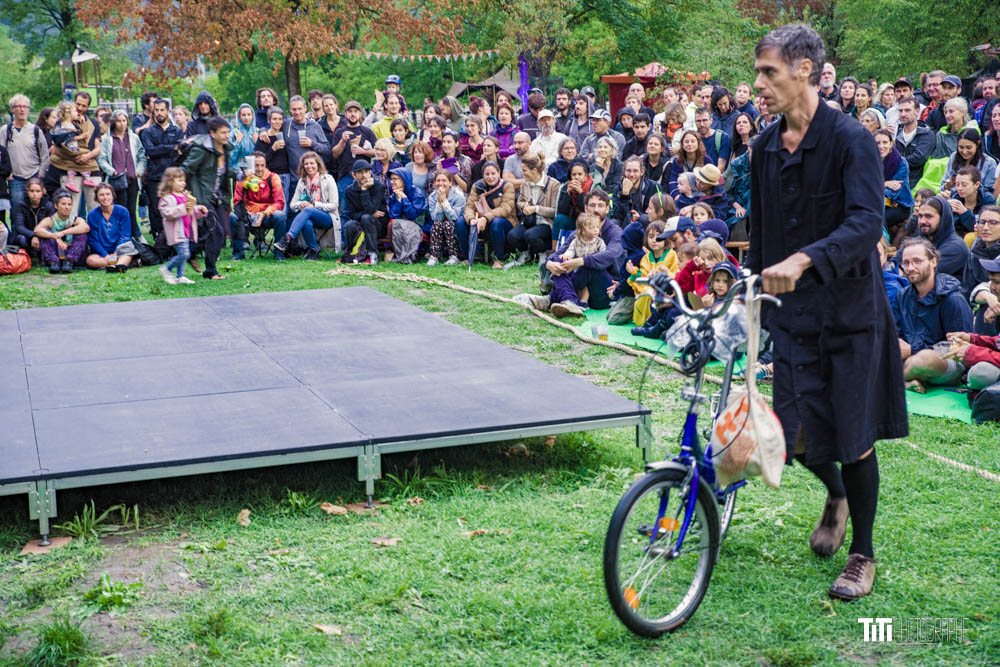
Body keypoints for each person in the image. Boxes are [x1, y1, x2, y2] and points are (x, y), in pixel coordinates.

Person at [748, 24, 908, 601]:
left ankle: (861, 552)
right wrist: (754, 297)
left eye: (769, 71)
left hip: (848, 313)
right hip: (792, 315)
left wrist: (807, 260)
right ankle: (835, 492)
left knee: (853, 436)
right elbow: (763, 235)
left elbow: (868, 222)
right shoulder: (763, 147)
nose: (758, 83)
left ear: (805, 71)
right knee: (790, 437)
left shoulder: (850, 140)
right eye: (758, 71)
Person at [522, 190, 623, 314]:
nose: (596, 209)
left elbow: (611, 255)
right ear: (585, 208)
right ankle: (569, 300)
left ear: (607, 209)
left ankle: (552, 299)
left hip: (607, 289)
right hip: (582, 286)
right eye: (592, 205)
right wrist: (550, 263)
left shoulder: (615, 231)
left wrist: (579, 261)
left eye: (600, 205)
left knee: (587, 265)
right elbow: (559, 253)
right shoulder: (577, 233)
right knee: (560, 259)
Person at [893, 238, 974, 392]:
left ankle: (890, 381)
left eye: (917, 261)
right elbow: (896, 334)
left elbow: (960, 347)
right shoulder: (902, 296)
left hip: (945, 362)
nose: (910, 267)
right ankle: (905, 381)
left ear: (934, 261)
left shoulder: (953, 299)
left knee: (923, 359)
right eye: (906, 263)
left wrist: (913, 350)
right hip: (906, 359)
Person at [182, 116, 234, 280]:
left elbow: (224, 171)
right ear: (212, 133)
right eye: (223, 133)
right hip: (202, 197)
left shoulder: (225, 149)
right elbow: (185, 169)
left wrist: (240, 173)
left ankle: (197, 259)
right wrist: (188, 193)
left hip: (217, 196)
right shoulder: (201, 150)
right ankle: (204, 265)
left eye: (228, 132)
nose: (227, 136)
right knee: (215, 232)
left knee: (218, 234)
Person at [275, 151, 339, 260]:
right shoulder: (302, 182)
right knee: (306, 222)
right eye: (306, 164)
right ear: (303, 166)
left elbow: (334, 205)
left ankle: (288, 237)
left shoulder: (328, 179)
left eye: (312, 163)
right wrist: (301, 204)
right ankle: (314, 250)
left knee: (308, 210)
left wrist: (314, 205)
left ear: (318, 164)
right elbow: (292, 205)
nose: (309, 166)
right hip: (309, 215)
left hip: (328, 216)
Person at [97, 110, 147, 237]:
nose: (121, 124)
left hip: (132, 178)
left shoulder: (134, 138)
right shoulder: (107, 139)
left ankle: (134, 237)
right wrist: (111, 171)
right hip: (116, 179)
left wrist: (138, 172)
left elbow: (142, 156)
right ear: (113, 122)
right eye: (118, 121)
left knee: (131, 210)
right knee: (119, 209)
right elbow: (101, 159)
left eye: (124, 120)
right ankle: (120, 236)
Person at [140, 98, 184, 242]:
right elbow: (150, 151)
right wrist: (170, 147)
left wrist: (163, 149)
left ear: (167, 111)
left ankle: (175, 240)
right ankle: (159, 240)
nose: (159, 113)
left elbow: (179, 151)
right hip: (155, 177)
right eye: (156, 110)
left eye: (162, 110)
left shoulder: (176, 131)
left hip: (173, 177)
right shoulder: (147, 132)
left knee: (174, 209)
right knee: (157, 210)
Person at [507, 152, 560, 267]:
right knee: (512, 235)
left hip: (546, 222)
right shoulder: (525, 184)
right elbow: (519, 202)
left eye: (524, 170)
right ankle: (525, 254)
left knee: (530, 235)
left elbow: (555, 211)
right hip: (528, 220)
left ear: (534, 170)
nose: (522, 173)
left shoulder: (554, 184)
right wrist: (523, 206)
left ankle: (543, 255)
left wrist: (536, 209)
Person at [232, 152, 286, 259]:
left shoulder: (273, 177)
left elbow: (279, 202)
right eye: (256, 165)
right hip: (248, 214)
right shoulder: (243, 179)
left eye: (262, 165)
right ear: (250, 166)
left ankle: (279, 253)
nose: (260, 169)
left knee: (280, 215)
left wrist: (265, 213)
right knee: (232, 217)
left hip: (266, 215)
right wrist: (245, 181)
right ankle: (238, 252)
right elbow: (237, 201)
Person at [1, 94, 49, 213]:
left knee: (36, 210)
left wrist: (41, 173)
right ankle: (18, 232)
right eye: (19, 106)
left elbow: (45, 155)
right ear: (13, 109)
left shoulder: (35, 130)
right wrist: (8, 174)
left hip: (34, 176)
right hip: (15, 178)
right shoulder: (5, 130)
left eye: (25, 106)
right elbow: (1, 154)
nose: (22, 109)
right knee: (17, 211)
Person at [465, 160, 516, 268]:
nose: (490, 177)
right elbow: (469, 206)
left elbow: (505, 208)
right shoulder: (477, 186)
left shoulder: (507, 186)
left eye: (493, 173)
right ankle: (466, 257)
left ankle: (499, 259)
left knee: (497, 222)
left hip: (504, 222)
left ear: (499, 173)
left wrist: (486, 217)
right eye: (487, 174)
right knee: (461, 222)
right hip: (482, 222)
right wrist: (471, 219)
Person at [331, 101, 377, 217]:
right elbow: (334, 154)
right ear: (345, 114)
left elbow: (377, 152)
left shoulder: (367, 131)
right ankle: (344, 236)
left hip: (364, 177)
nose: (353, 114)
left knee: (366, 211)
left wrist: (363, 151)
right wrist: (343, 141)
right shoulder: (340, 132)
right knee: (344, 212)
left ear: (360, 114)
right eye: (350, 111)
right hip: (345, 177)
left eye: (355, 111)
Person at [157, 166, 202, 285]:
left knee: (183, 253)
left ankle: (180, 276)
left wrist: (199, 210)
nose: (184, 183)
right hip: (176, 232)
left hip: (186, 231)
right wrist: (183, 207)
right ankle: (166, 269)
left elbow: (190, 212)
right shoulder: (167, 198)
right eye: (180, 180)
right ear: (170, 182)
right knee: (184, 254)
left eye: (184, 180)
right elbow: (167, 213)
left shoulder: (185, 196)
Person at [341, 159, 387, 265]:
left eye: (366, 172)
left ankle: (373, 253)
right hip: (361, 222)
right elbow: (352, 214)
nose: (364, 175)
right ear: (354, 175)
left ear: (370, 173)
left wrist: (364, 189)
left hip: (379, 224)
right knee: (349, 224)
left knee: (366, 218)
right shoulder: (350, 190)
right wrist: (367, 214)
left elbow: (371, 208)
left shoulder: (378, 186)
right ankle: (351, 253)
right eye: (360, 172)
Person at [85, 183, 138, 272]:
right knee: (90, 261)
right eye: (101, 195)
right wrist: (105, 255)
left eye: (108, 194)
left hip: (121, 249)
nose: (105, 197)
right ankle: (120, 265)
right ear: (97, 198)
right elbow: (92, 240)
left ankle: (117, 265)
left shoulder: (123, 211)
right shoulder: (92, 215)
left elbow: (125, 235)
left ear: (113, 196)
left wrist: (116, 253)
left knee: (127, 253)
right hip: (101, 253)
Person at [914, 195, 970, 279]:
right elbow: (895, 263)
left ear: (943, 218)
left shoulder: (955, 247)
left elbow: (921, 275)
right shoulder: (921, 238)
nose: (922, 221)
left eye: (929, 216)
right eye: (920, 216)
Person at [34, 189, 89, 273]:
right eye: (63, 204)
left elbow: (86, 227)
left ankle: (69, 262)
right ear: (56, 206)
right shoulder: (50, 220)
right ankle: (54, 262)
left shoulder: (75, 219)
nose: (67, 207)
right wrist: (54, 236)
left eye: (69, 204)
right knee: (44, 232)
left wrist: (63, 233)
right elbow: (37, 230)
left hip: (71, 250)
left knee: (82, 233)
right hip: (56, 250)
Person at [875, 129, 913, 239]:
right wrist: (885, 183)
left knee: (876, 218)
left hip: (898, 205)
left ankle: (883, 247)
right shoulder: (870, 160)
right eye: (878, 143)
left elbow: (892, 193)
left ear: (891, 143)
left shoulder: (900, 162)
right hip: (876, 202)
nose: (881, 146)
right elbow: (863, 186)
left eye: (885, 142)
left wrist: (877, 186)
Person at [384, 167, 426, 263]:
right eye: (391, 179)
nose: (392, 182)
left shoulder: (417, 194)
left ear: (404, 180)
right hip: (400, 225)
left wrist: (404, 198)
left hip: (417, 225)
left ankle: (407, 255)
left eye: (395, 179)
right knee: (393, 223)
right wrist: (399, 201)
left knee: (397, 224)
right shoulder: (394, 195)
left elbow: (412, 215)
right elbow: (393, 216)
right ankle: (400, 254)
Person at [962, 206, 1000, 309]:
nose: (985, 227)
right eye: (982, 222)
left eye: (993, 222)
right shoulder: (975, 252)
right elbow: (966, 291)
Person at [425, 170, 465, 266]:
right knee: (437, 224)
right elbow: (436, 218)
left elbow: (454, 217)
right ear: (435, 183)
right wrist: (439, 203)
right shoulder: (432, 196)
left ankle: (454, 256)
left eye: (444, 180)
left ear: (450, 183)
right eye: (438, 181)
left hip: (457, 224)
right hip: (440, 222)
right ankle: (434, 256)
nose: (441, 183)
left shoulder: (458, 196)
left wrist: (444, 202)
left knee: (448, 224)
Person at [894, 96, 935, 188]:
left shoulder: (927, 133)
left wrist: (895, 161)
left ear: (917, 111)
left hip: (917, 183)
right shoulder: (896, 133)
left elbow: (919, 158)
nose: (903, 114)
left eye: (907, 110)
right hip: (896, 181)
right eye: (900, 111)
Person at [940, 128, 997, 195]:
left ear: (977, 144)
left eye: (968, 148)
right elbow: (942, 185)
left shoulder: (989, 163)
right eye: (961, 147)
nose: (964, 151)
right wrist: (947, 186)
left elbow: (988, 192)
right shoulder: (954, 156)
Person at [553, 159, 592, 247]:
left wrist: (581, 193)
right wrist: (568, 194)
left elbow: (588, 212)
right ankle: (554, 249)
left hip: (588, 222)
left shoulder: (593, 186)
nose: (577, 177)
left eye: (580, 174)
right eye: (574, 174)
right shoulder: (565, 187)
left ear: (586, 176)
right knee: (559, 219)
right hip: (573, 220)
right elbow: (561, 211)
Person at [949, 166, 996, 238]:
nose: (959, 188)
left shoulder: (987, 199)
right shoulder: (955, 198)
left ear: (976, 185)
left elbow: (984, 228)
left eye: (964, 185)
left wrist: (964, 213)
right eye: (957, 184)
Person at [614, 156, 662, 226]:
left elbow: (659, 213)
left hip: (648, 225)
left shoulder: (654, 187)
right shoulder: (618, 188)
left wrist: (640, 216)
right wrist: (625, 195)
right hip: (625, 225)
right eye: (628, 170)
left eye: (635, 171)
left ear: (642, 172)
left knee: (643, 219)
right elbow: (617, 215)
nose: (631, 174)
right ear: (624, 172)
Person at [10, 177, 52, 253]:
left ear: (42, 192)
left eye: (38, 191)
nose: (34, 194)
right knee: (21, 238)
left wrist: (38, 236)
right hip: (27, 235)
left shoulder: (48, 205)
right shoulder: (21, 205)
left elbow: (50, 226)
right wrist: (33, 235)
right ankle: (27, 255)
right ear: (27, 191)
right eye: (32, 191)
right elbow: (19, 226)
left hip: (43, 235)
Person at [668, 130, 707, 199]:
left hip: (702, 197)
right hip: (682, 196)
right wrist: (677, 196)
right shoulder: (677, 161)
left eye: (693, 141)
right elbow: (673, 182)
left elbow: (710, 184)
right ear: (682, 145)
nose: (689, 144)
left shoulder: (706, 160)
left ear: (698, 143)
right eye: (686, 142)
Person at [693, 107, 731, 172]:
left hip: (714, 177)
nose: (701, 124)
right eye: (698, 121)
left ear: (711, 120)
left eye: (705, 120)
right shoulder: (693, 139)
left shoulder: (722, 137)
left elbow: (721, 167)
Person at [588, 136, 624, 203]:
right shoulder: (593, 166)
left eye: (605, 147)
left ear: (612, 150)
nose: (602, 149)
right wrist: (599, 169)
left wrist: (601, 192)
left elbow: (615, 187)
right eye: (600, 147)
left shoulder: (619, 166)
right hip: (595, 199)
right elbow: (592, 186)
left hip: (614, 199)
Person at [230, 103, 259, 178]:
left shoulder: (258, 132)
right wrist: (237, 142)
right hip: (239, 171)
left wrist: (258, 144)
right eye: (243, 115)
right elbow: (231, 157)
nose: (246, 117)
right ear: (239, 116)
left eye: (249, 114)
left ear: (253, 115)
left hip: (256, 170)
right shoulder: (234, 133)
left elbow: (264, 155)